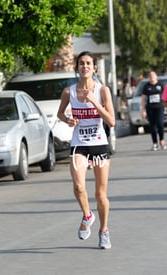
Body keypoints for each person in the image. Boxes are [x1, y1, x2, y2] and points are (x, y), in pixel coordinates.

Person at [57, 51, 115, 249]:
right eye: (81, 63)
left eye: (88, 63)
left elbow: (112, 121)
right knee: (78, 186)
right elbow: (60, 113)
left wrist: (95, 102)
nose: (85, 66)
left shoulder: (102, 90)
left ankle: (104, 230)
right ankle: (87, 215)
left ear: (94, 67)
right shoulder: (68, 92)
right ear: (77, 67)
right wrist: (68, 119)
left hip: (98, 143)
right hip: (79, 144)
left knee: (100, 194)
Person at [141, 70, 167, 151]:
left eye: (153, 75)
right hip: (150, 108)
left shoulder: (161, 85)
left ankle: (162, 140)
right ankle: (154, 143)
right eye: (150, 76)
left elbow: (166, 96)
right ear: (149, 77)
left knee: (160, 124)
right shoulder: (146, 86)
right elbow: (143, 99)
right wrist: (143, 110)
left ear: (156, 76)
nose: (152, 77)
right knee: (152, 126)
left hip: (159, 107)